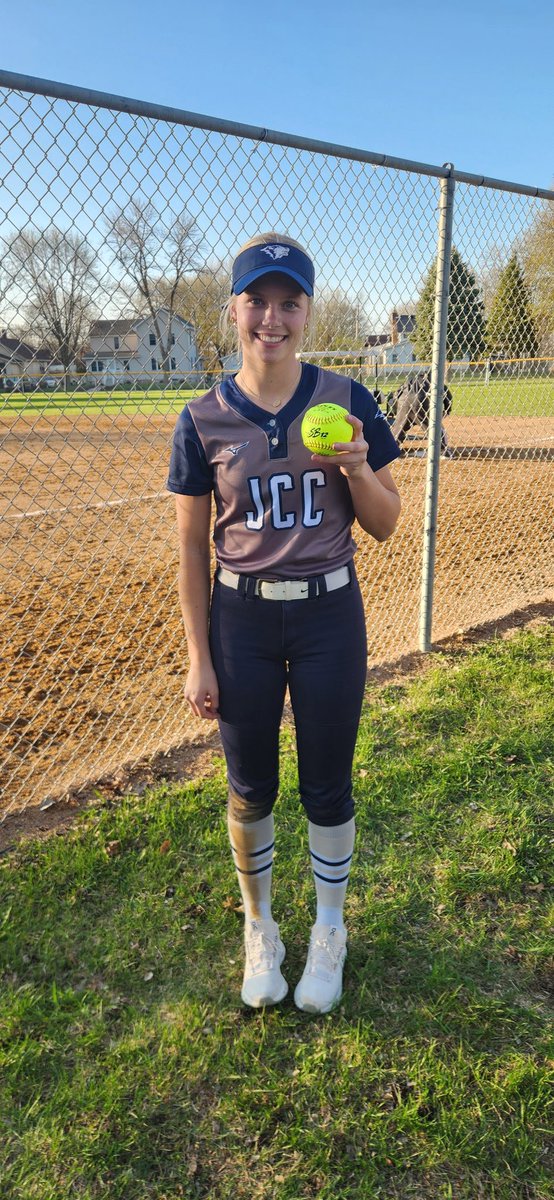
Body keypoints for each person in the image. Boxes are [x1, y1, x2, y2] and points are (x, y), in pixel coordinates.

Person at [167, 232, 402, 1014]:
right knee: (250, 786)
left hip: (331, 614)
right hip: (240, 621)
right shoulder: (202, 419)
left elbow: (388, 524)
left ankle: (328, 930)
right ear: (232, 309)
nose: (273, 318)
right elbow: (192, 553)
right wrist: (200, 657)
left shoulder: (344, 397)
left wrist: (359, 467)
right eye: (257, 301)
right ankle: (260, 927)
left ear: (307, 311)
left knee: (327, 786)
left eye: (288, 302)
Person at [390, 370, 454, 457]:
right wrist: (447, 410)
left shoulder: (410, 380)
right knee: (432, 425)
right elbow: (448, 397)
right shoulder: (434, 381)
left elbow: (396, 395)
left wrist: (396, 410)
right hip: (419, 402)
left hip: (403, 401)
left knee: (399, 427)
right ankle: (442, 451)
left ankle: (391, 451)